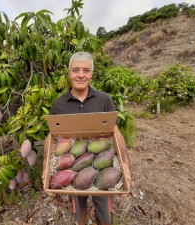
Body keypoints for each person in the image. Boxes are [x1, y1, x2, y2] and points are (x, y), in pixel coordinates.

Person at [43, 52, 132, 225]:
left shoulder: (104, 99)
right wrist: (46, 168)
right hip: (75, 168)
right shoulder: (59, 104)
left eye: (86, 70)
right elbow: (52, 136)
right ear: (69, 73)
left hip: (103, 162)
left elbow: (115, 131)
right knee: (78, 210)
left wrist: (126, 165)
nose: (81, 75)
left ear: (91, 73)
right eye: (76, 70)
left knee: (105, 212)